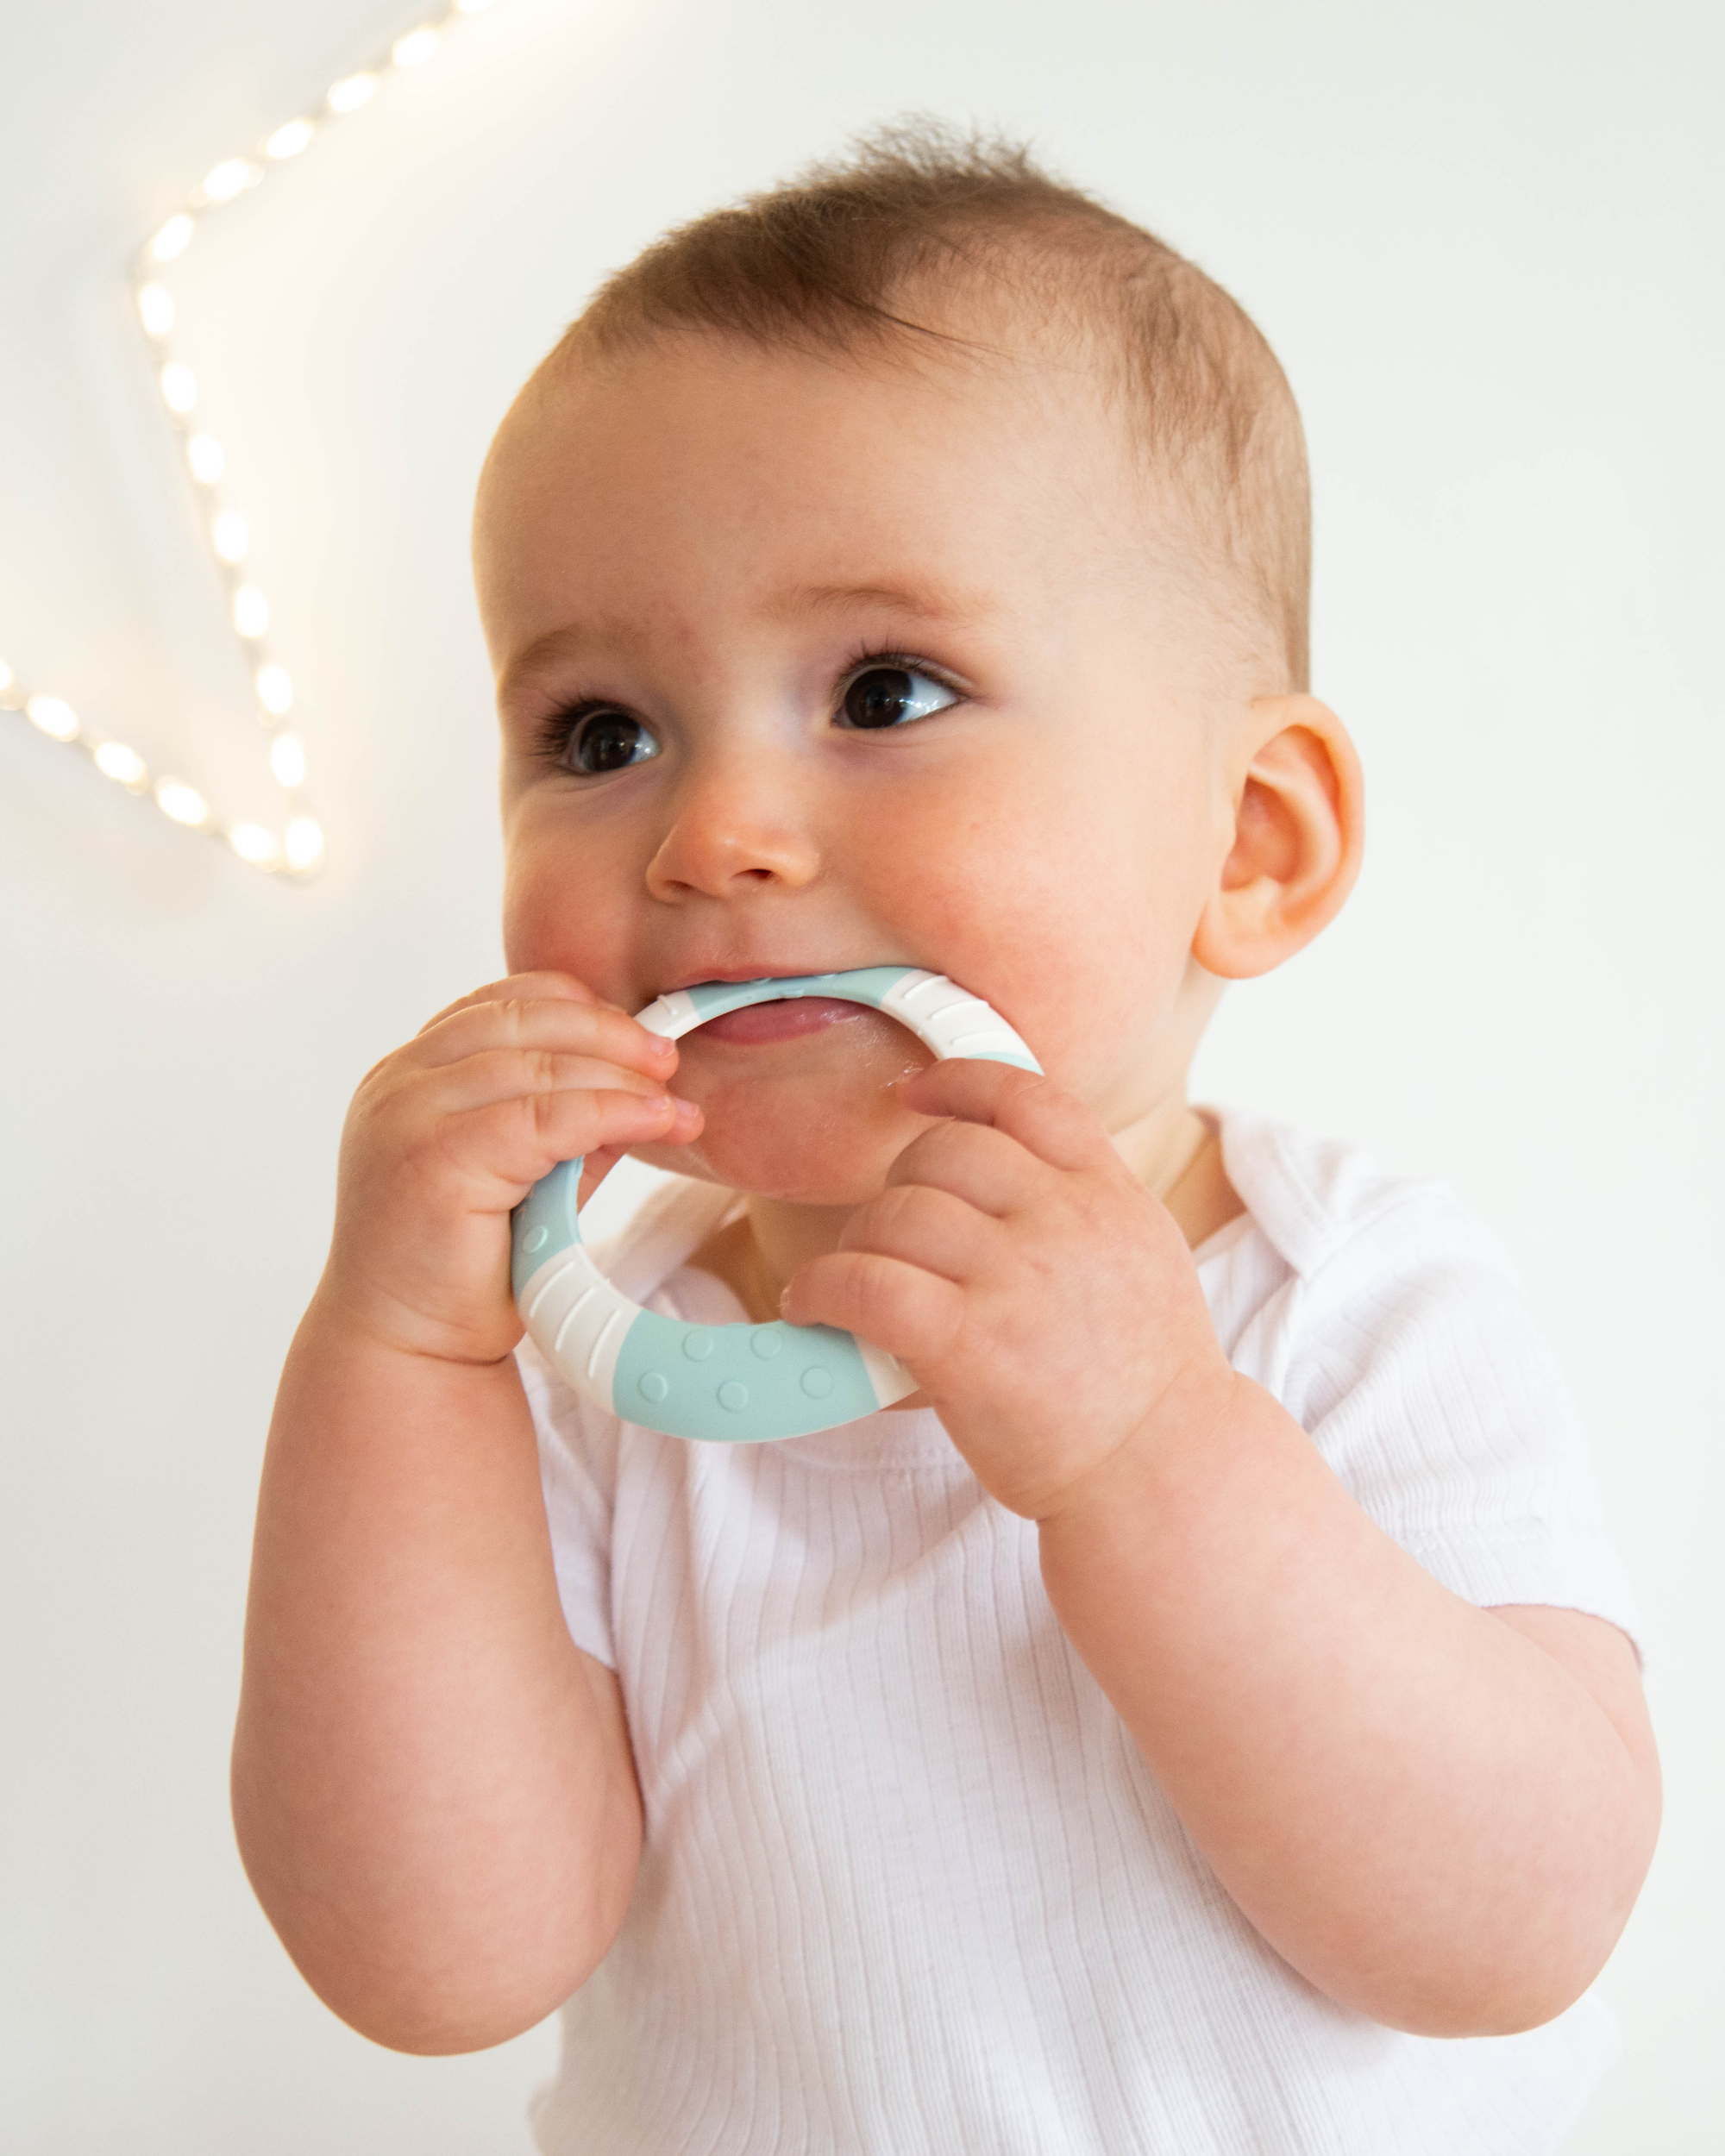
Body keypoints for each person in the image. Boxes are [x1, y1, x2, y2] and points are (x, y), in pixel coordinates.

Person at [232, 128, 1659, 2153]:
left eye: (885, 689)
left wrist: (1141, 1439)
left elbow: (1512, 1919)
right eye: (598, 733)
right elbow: (435, 1961)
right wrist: (391, 1362)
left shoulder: (1338, 1290)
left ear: (1247, 843)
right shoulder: (580, 1363)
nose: (712, 828)